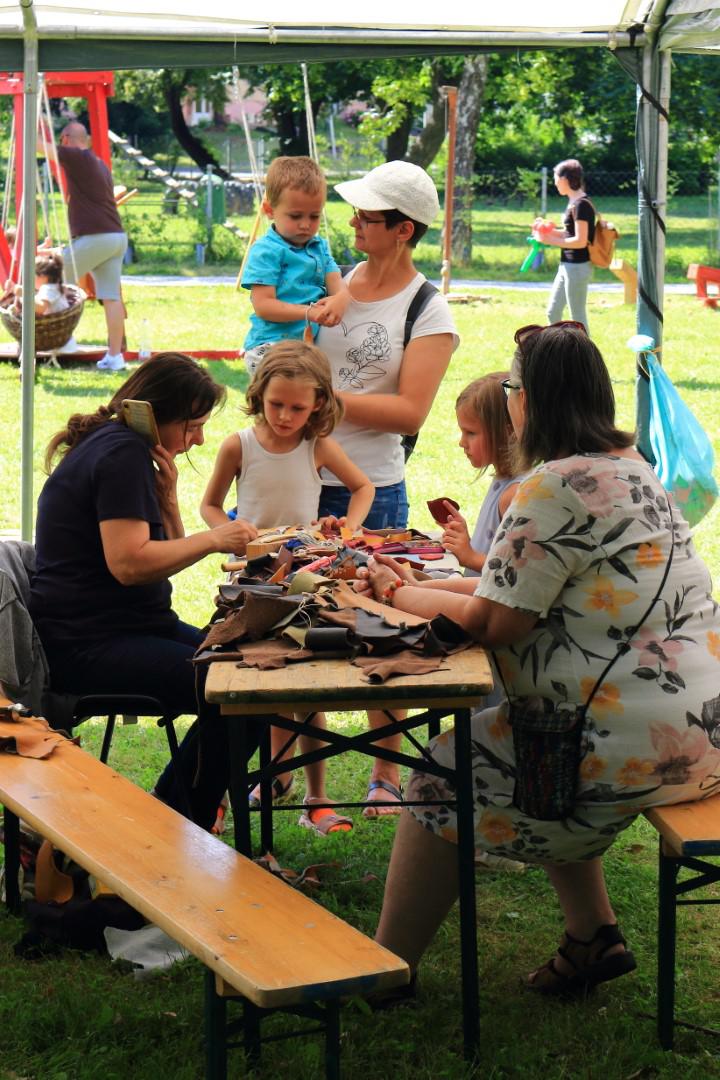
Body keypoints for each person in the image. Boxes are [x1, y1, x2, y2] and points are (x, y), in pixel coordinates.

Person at [355, 322, 720, 996]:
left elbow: (496, 622)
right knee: (529, 742)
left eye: (511, 388)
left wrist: (397, 592)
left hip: (625, 746)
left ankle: (386, 971)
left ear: (529, 400)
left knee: (444, 770)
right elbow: (511, 587)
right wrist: (414, 585)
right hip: (702, 732)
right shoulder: (635, 471)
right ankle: (592, 936)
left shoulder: (551, 486)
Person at [29, 353, 261, 831]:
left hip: (127, 628)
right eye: (193, 426)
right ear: (160, 416)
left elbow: (163, 558)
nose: (198, 439)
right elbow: (130, 564)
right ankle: (175, 821)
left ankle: (172, 813)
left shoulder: (119, 446)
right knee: (243, 694)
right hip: (89, 644)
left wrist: (168, 500)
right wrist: (215, 538)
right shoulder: (122, 455)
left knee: (253, 682)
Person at [316, 159, 459, 816]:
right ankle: (295, 771)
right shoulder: (336, 283)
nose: (353, 222)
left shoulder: (429, 310)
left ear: (403, 230)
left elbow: (410, 412)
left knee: (380, 628)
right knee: (295, 626)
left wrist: (323, 401)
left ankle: (385, 773)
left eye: (367, 217)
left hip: (372, 485)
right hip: (300, 478)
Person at [200, 339, 374, 834]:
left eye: (298, 408)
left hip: (303, 584)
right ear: (259, 394)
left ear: (318, 403)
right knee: (247, 689)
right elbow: (210, 504)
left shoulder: (317, 445)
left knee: (306, 692)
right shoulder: (239, 444)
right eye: (276, 404)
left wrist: (348, 530)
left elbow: (363, 486)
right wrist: (230, 533)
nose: (284, 416)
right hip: (249, 587)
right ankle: (227, 792)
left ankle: (317, 798)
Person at [240, 156, 350, 376]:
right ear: (269, 210)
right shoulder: (266, 251)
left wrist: (341, 300)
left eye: (314, 216)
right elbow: (264, 305)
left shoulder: (319, 247)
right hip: (270, 347)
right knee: (289, 393)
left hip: (307, 349)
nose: (305, 225)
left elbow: (338, 285)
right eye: (295, 216)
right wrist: (310, 312)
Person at [55, 121, 128, 372]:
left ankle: (64, 340)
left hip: (97, 237)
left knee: (50, 278)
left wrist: (30, 124)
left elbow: (40, 146)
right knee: (111, 296)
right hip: (116, 237)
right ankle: (115, 357)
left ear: (66, 139)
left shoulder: (78, 157)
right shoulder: (98, 163)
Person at [441, 373, 522, 579]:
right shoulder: (502, 480)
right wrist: (463, 539)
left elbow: (515, 573)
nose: (462, 442)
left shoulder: (514, 494)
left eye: (470, 433)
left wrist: (469, 556)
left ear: (507, 433)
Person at [533, 158, 595, 333]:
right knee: (553, 312)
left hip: (578, 267)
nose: (554, 183)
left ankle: (586, 350)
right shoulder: (573, 202)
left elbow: (580, 241)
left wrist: (549, 241)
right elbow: (569, 234)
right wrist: (547, 231)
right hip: (566, 265)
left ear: (565, 179)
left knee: (577, 317)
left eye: (555, 178)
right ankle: (558, 347)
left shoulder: (581, 205)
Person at [32, 251, 70, 316]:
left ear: (43, 276)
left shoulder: (49, 288)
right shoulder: (55, 286)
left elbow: (41, 308)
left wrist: (24, 296)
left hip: (56, 320)